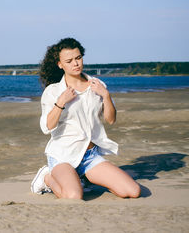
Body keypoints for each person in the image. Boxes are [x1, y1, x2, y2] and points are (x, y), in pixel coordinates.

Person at [31, 37, 140, 199]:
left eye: (78, 58)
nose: (75, 64)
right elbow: (47, 127)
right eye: (69, 61)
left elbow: (111, 119)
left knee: (132, 191)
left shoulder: (97, 85)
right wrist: (61, 102)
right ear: (60, 65)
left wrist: (106, 95)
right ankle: (47, 178)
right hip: (63, 156)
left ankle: (83, 178)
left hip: (90, 156)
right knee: (73, 196)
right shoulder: (53, 91)